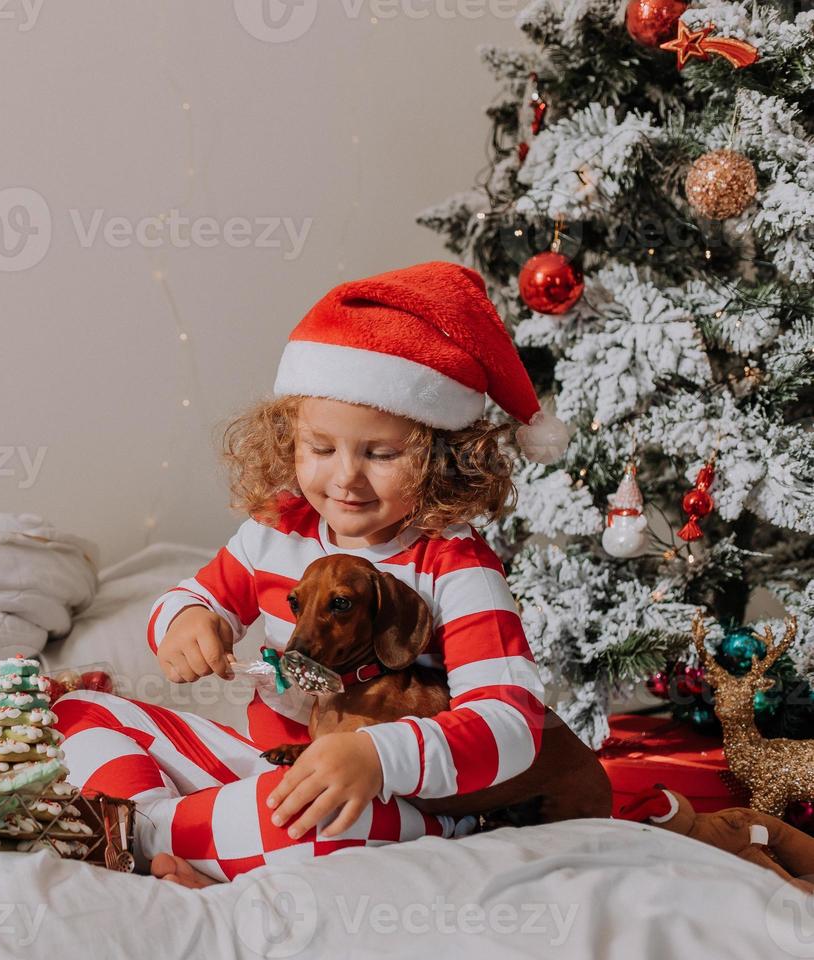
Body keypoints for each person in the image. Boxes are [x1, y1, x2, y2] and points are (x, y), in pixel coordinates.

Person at [54, 262, 569, 886]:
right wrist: (188, 620)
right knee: (79, 710)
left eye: (381, 453)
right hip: (269, 766)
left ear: (443, 459)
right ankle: (178, 830)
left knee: (314, 825)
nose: (345, 478)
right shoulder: (277, 529)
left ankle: (139, 832)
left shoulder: (456, 563)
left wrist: (380, 758)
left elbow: (513, 722)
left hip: (392, 802)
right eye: (320, 449)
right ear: (287, 438)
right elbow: (195, 596)